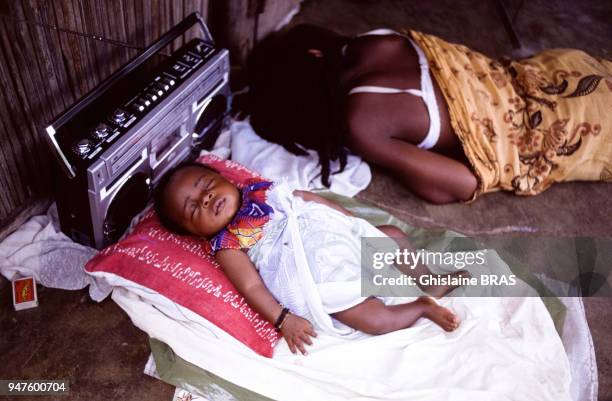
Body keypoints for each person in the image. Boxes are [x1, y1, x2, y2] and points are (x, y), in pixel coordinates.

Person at [248, 25, 612, 203]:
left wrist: (394, 159)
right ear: (314, 53)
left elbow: (463, 184)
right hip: (564, 70)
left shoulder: (362, 121)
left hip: (576, 122)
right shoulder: (376, 40)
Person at [154, 162, 470, 355]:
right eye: (193, 208)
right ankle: (422, 308)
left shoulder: (265, 191)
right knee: (375, 320)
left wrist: (354, 225)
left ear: (225, 179)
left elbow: (310, 200)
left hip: (335, 236)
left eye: (206, 185)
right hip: (315, 272)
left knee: (393, 237)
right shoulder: (227, 244)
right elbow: (251, 286)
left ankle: (429, 281)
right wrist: (282, 319)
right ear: (195, 232)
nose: (205, 198)